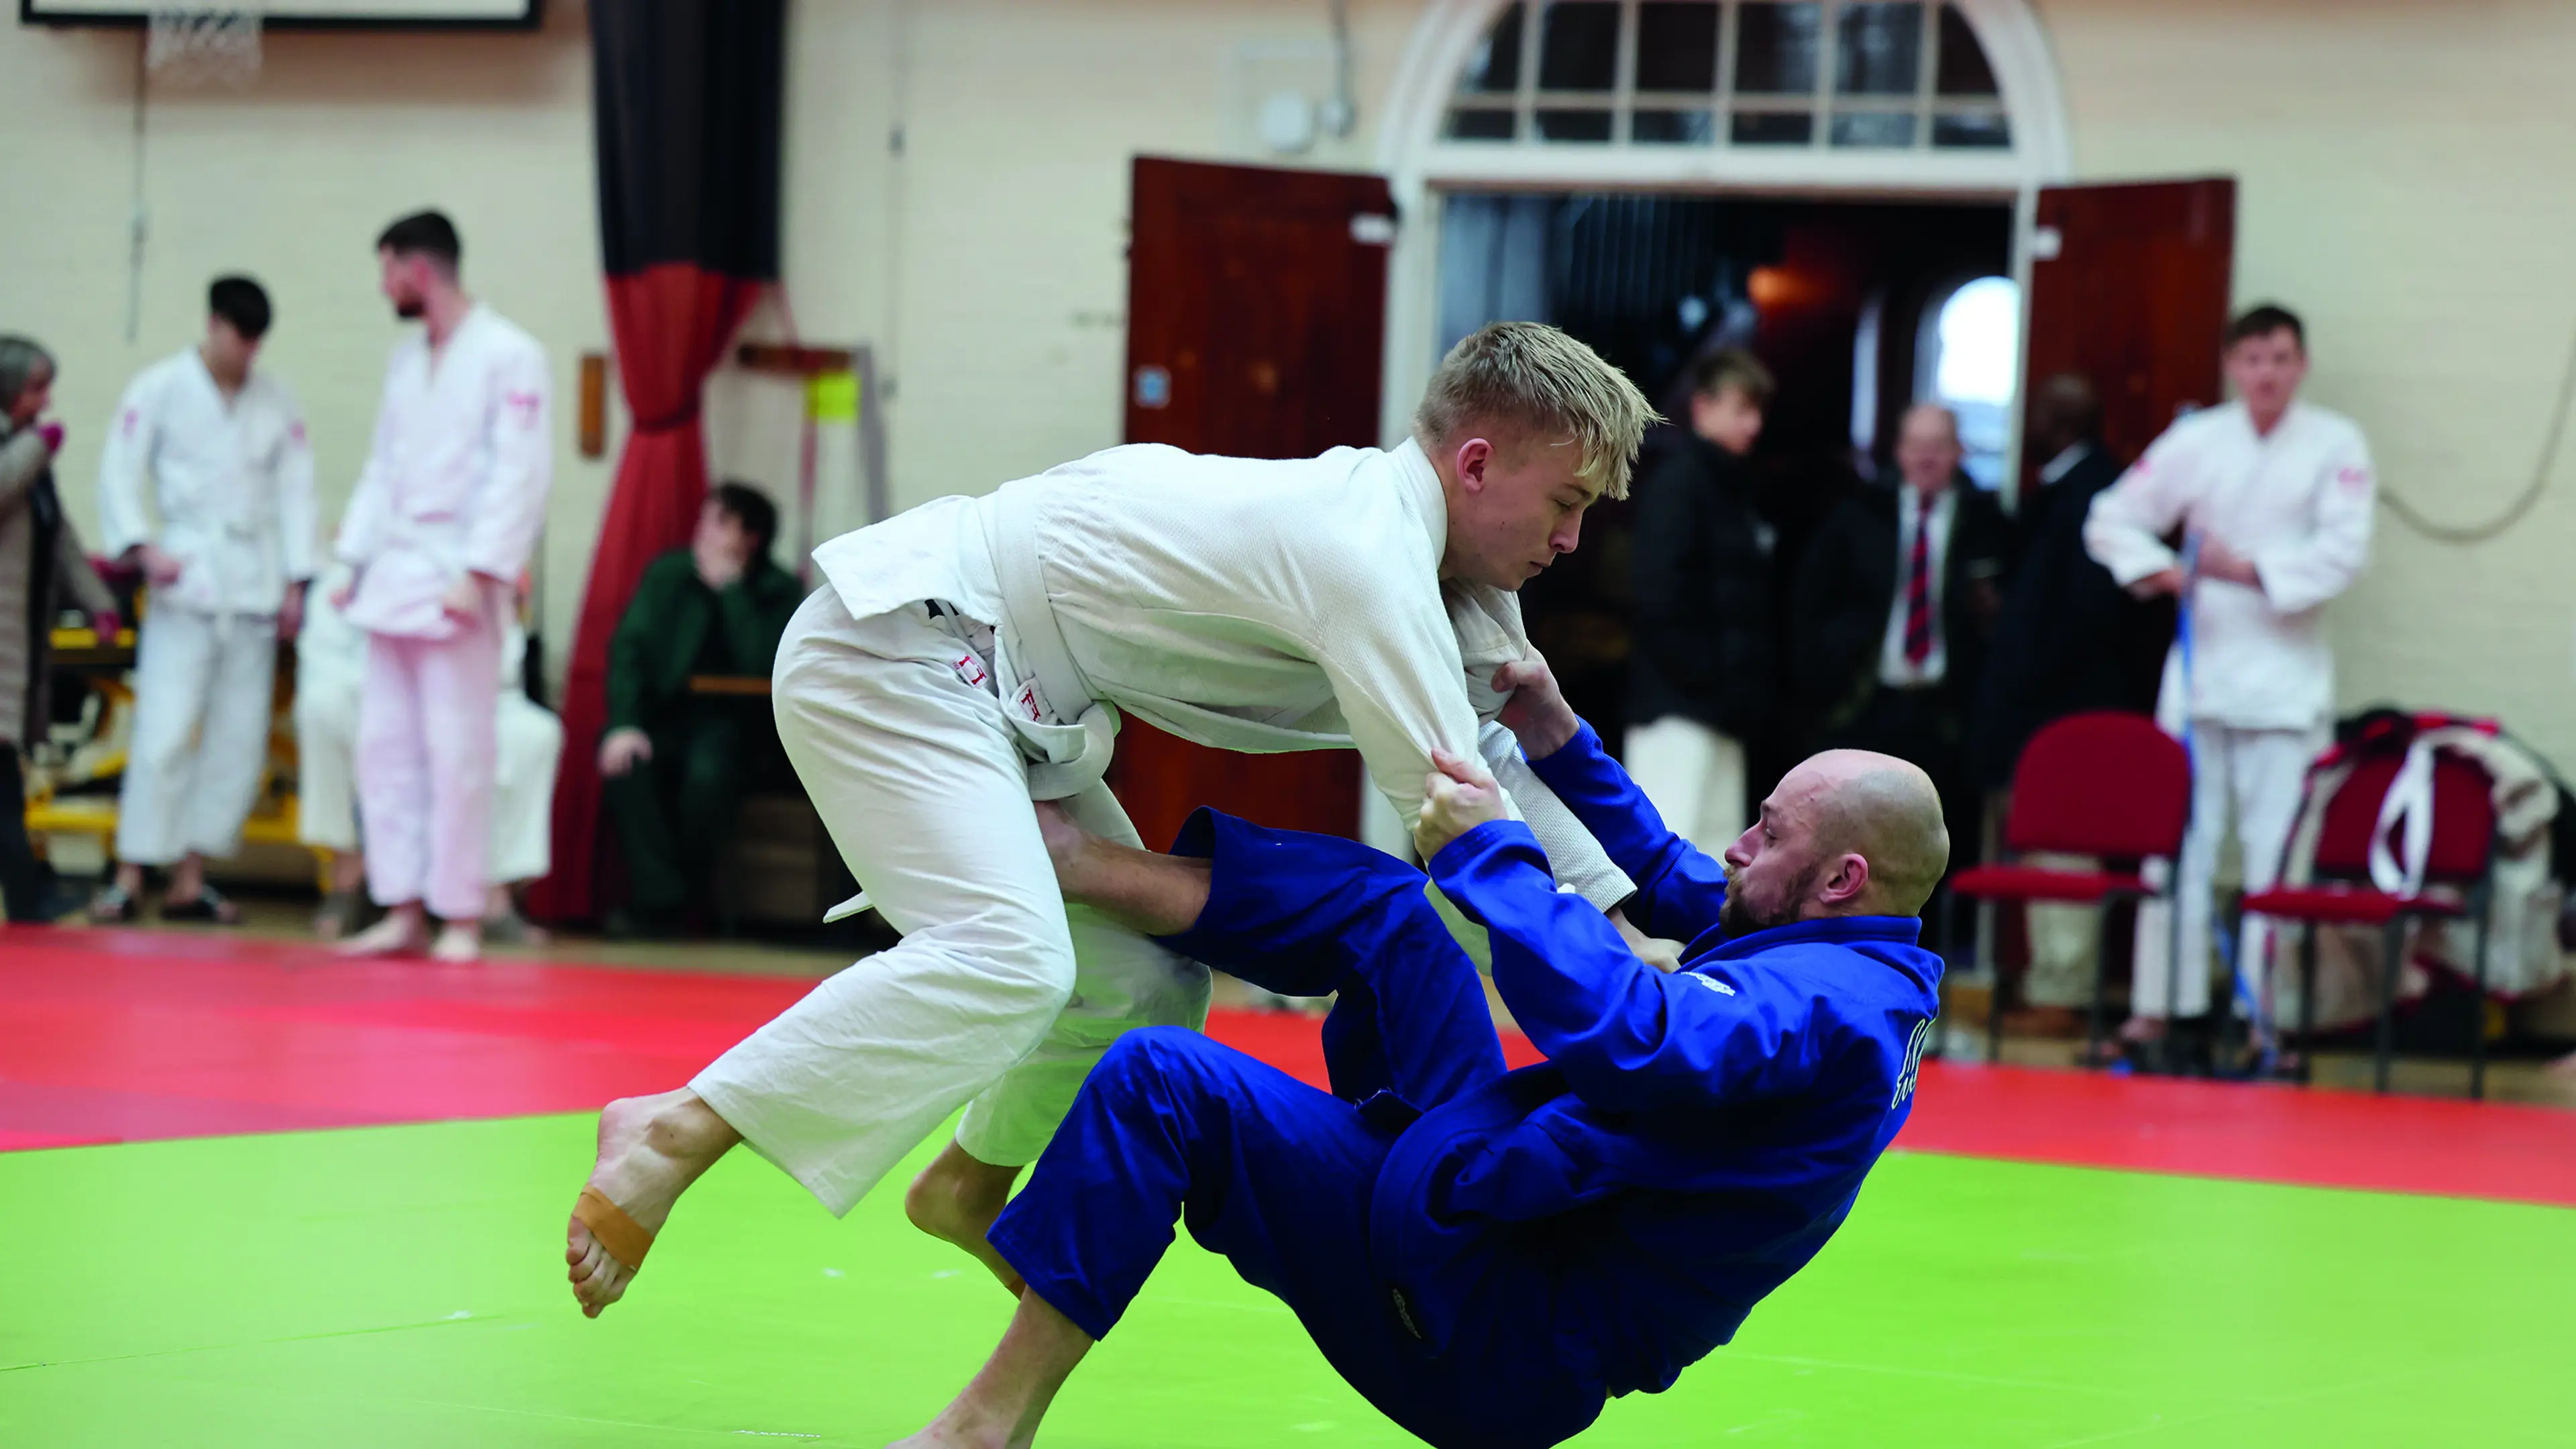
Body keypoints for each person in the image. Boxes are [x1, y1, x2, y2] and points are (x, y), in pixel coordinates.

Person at [562, 322, 1659, 1318]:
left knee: (1148, 982)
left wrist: (1622, 934)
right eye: (1565, 505)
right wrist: (1617, 1014)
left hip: (1015, 698)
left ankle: (968, 1184)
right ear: (1477, 465)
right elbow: (1460, 823)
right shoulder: (1365, 554)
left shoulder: (1449, 575)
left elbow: (1495, 754)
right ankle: (676, 1127)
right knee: (1011, 953)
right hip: (899, 650)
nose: (1572, 542)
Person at [886, 651, 1946, 1449]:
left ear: (1842, 877)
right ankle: (1085, 865)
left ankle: (988, 1426)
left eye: (1769, 832)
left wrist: (1493, 852)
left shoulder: (1829, 1012)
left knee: (1162, 1080)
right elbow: (1673, 875)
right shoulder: (1841, 945)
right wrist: (1555, 733)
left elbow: (1636, 1033)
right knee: (1392, 908)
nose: (1739, 847)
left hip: (1489, 1329)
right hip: (1500, 1209)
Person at [2084, 303, 2373, 1051]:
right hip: (2201, 676)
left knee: (2277, 853)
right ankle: (2159, 1006)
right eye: (2252, 359)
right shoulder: (2198, 438)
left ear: (2301, 365)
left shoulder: (2336, 443)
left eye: (2280, 359)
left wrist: (2239, 569)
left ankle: (2263, 1016)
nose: (2266, 374)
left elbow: (2343, 554)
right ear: (2231, 366)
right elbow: (2111, 518)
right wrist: (2164, 573)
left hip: (2285, 681)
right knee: (2178, 846)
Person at [329, 209, 552, 964]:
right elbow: (382, 469)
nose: (383, 287)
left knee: (458, 752)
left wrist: (480, 570)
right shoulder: (406, 361)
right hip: (395, 574)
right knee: (383, 749)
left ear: (416, 270)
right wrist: (351, 562)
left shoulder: (511, 354)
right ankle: (402, 909)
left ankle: (460, 914)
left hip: (460, 579)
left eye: (387, 270)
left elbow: (519, 472)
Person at [87, 275, 316, 926]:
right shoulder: (160, 387)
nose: (249, 352)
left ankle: (191, 878)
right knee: (162, 730)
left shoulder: (277, 398)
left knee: (238, 740)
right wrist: (142, 547)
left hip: (253, 586)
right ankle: (130, 873)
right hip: (184, 580)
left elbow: (298, 491)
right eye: (241, 337)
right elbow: (119, 471)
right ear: (213, 324)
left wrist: (297, 583)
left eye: (258, 341)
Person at [1967, 373, 2171, 1033]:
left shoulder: (2090, 493)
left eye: (2039, 415)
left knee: (2063, 851)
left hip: (2062, 709)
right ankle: (2049, 983)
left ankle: (2063, 990)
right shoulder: (2067, 488)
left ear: (2060, 424)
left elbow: (2084, 616)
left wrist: (2025, 664)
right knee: (2045, 851)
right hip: (2048, 704)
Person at [1788, 402, 2008, 943]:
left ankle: (1928, 966)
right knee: (1853, 844)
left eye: (1939, 446)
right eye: (1917, 446)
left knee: (1936, 849)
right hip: (1867, 705)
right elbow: (1810, 604)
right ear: (1900, 452)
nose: (1927, 458)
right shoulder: (1860, 514)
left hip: (1947, 715)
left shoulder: (1987, 521)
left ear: (1959, 452)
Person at [295, 557, 561, 943]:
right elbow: (323, 663)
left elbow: (504, 669)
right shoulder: (345, 574)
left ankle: (493, 891)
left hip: (462, 702)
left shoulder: (477, 572)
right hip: (370, 697)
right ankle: (348, 872)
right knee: (322, 707)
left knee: (534, 734)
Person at [596, 482, 804, 936]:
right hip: (667, 718)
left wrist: (731, 593)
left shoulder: (780, 591)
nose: (703, 532)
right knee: (627, 765)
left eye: (720, 523)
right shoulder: (668, 576)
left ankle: (686, 900)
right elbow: (629, 652)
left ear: (751, 538)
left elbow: (765, 665)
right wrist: (625, 722)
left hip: (740, 727)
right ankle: (662, 900)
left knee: (707, 775)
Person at [1625, 346, 1776, 850]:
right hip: (1675, 709)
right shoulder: (1679, 485)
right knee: (1664, 855)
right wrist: (1712, 679)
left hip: (1721, 710)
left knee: (1716, 861)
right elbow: (1658, 598)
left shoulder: (1734, 490)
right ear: (1703, 407)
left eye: (1758, 410)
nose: (1754, 424)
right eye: (1741, 408)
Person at [0, 338, 119, 925]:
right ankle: (29, 901)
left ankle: (29, 899)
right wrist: (34, 447)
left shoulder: (30, 458)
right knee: (3, 785)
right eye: (36, 388)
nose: (47, 401)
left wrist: (98, 602)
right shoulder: (23, 452)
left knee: (5, 779)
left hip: (17, 645)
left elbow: (62, 537)